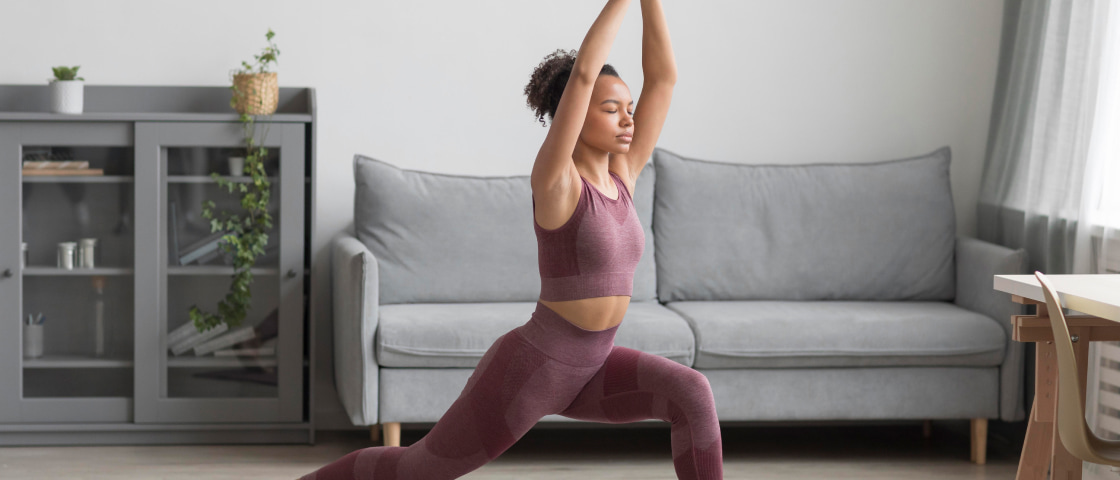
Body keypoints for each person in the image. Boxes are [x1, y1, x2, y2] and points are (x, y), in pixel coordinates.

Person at [299, 1, 722, 478]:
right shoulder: (557, 182)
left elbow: (663, 79)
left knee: (692, 393)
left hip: (594, 365)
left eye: (629, 108)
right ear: (578, 114)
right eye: (611, 109)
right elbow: (582, 75)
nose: (629, 119)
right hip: (533, 371)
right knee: (419, 467)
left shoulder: (624, 176)